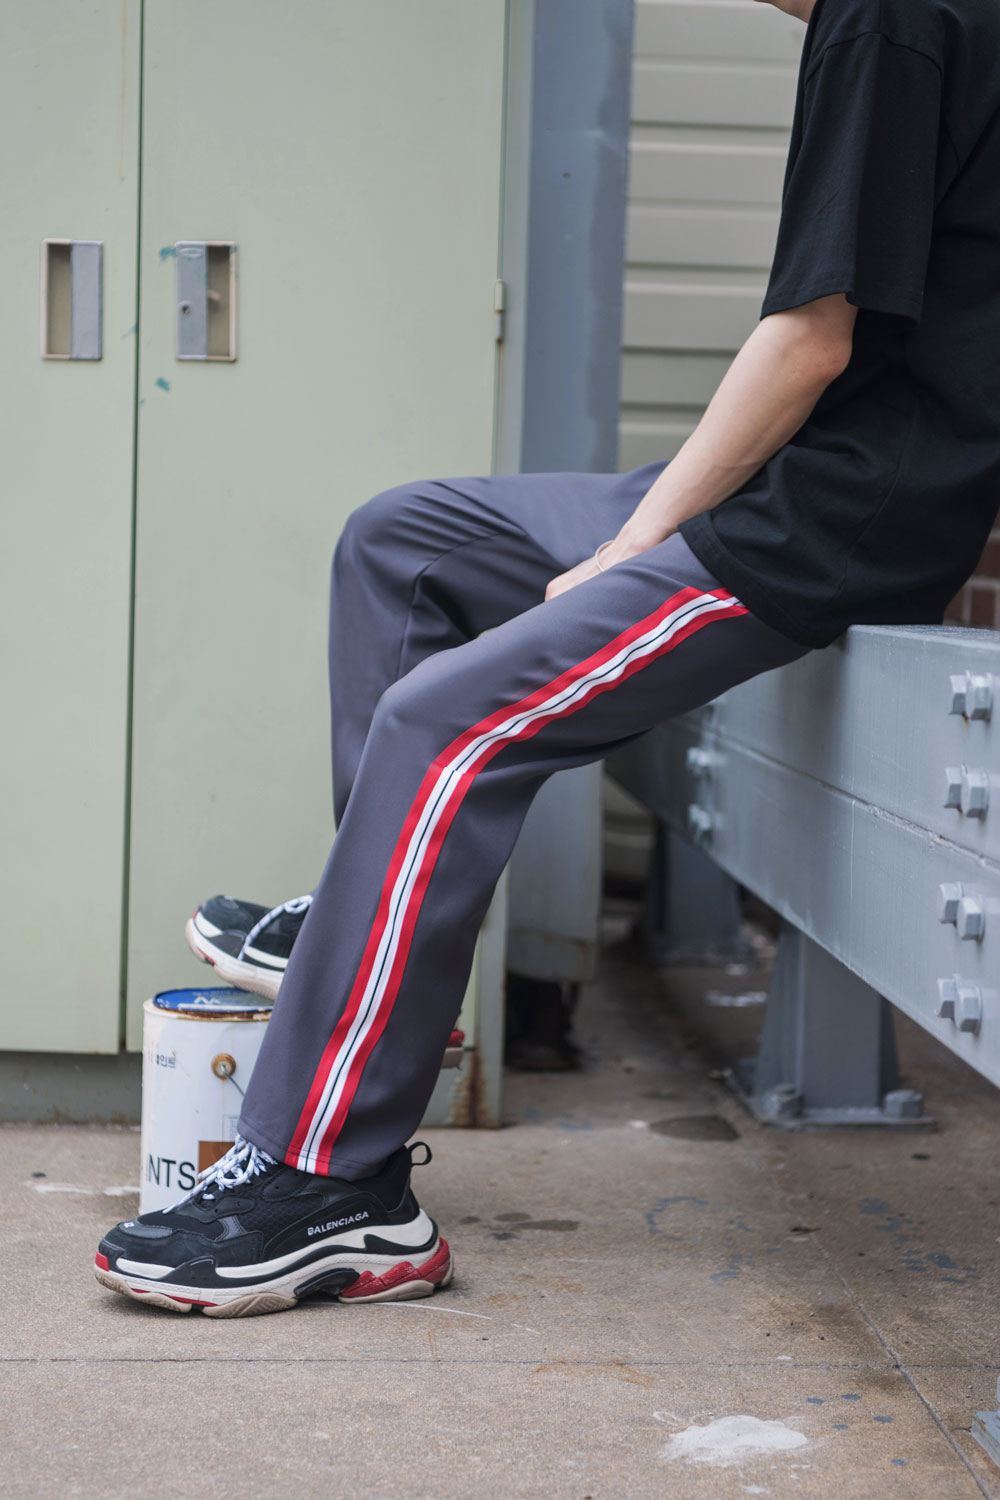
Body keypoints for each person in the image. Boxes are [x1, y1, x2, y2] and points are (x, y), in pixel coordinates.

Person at [95, 0, 1000, 1316]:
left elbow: (812, 338)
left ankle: (336, 1188)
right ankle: (364, 941)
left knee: (444, 725)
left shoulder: (889, 18)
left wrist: (636, 543)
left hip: (828, 527)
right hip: (789, 484)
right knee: (404, 541)